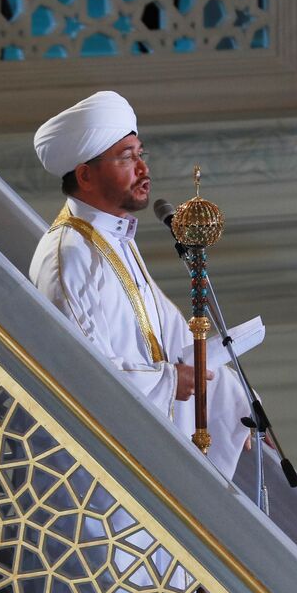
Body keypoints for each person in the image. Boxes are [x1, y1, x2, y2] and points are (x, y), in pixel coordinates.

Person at [29, 91, 252, 478]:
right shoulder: (69, 254)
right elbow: (78, 372)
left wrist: (244, 403)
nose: (143, 169)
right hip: (100, 481)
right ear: (85, 174)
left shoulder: (116, 239)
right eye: (126, 158)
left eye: (140, 154)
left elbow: (173, 337)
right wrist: (168, 382)